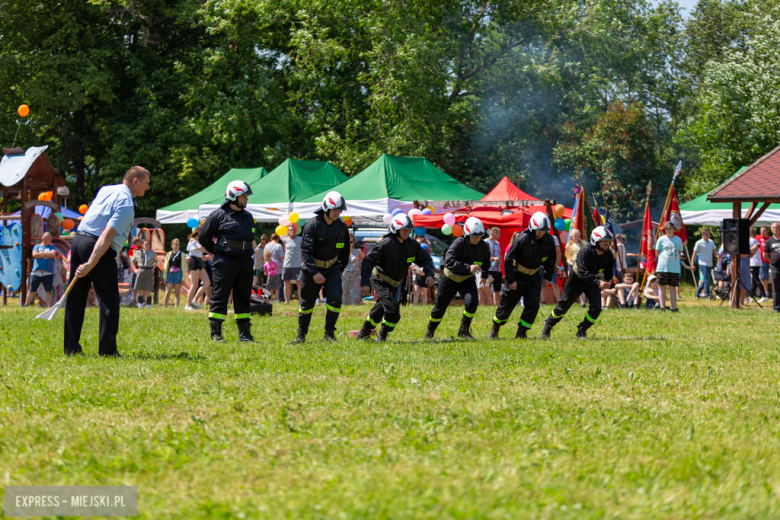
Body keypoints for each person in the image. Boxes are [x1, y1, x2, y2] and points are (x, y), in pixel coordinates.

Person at [64, 166, 150, 357]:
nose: (148, 187)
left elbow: (90, 219)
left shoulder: (106, 189)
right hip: (96, 246)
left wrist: (77, 252)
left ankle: (71, 349)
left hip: (79, 240)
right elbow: (106, 234)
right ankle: (108, 351)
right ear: (135, 181)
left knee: (76, 297)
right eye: (146, 183)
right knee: (109, 299)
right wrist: (91, 262)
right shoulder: (127, 203)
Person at [355, 214, 434, 342]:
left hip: (396, 283)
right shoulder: (386, 244)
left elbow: (426, 259)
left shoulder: (412, 245)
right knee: (393, 310)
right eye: (404, 229)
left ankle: (364, 332)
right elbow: (368, 261)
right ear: (395, 229)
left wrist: (429, 274)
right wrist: (365, 283)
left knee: (380, 309)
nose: (407, 232)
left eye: (409, 229)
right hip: (380, 280)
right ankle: (382, 334)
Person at [198, 180, 256, 342]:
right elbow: (203, 236)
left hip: (245, 262)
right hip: (225, 262)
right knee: (220, 296)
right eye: (244, 196)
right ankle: (216, 333)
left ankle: (244, 334)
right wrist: (217, 250)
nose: (247, 199)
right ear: (233, 196)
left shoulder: (248, 216)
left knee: (243, 297)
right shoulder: (218, 215)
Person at [294, 191, 351, 343]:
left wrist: (339, 269)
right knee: (307, 303)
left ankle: (329, 334)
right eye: (335, 210)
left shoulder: (342, 227)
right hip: (313, 269)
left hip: (333, 268)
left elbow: (345, 252)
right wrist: (314, 272)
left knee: (336, 300)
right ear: (326, 208)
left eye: (339, 210)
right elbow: (305, 251)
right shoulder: (312, 225)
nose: (337, 213)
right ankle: (301, 335)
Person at [489, 212, 557, 339]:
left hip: (534, 277)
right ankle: (495, 329)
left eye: (544, 231)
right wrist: (511, 279)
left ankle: (521, 332)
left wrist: (547, 277)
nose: (542, 233)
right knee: (506, 305)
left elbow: (551, 259)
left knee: (533, 305)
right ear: (532, 227)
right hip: (517, 276)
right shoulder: (522, 239)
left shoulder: (549, 240)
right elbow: (509, 259)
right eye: (539, 231)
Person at [541, 226, 615, 339]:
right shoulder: (585, 251)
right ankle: (549, 324)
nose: (607, 243)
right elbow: (582, 272)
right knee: (563, 307)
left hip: (592, 281)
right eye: (604, 241)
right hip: (577, 279)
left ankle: (582, 329)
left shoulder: (608, 255)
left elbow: (608, 272)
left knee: (596, 308)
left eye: (608, 241)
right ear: (595, 240)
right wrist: (598, 283)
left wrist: (607, 281)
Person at [425, 217, 491, 339]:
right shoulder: (458, 243)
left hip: (467, 279)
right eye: (473, 236)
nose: (477, 239)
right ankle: (430, 331)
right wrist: (468, 268)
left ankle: (464, 330)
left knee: (472, 302)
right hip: (450, 279)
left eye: (479, 236)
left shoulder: (484, 246)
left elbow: (486, 262)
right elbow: (449, 262)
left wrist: (484, 276)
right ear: (466, 234)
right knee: (440, 307)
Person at [654, 221, 692, 312]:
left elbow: (679, 253)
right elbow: (657, 253)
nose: (668, 230)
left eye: (670, 228)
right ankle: (662, 307)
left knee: (673, 287)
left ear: (674, 230)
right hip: (663, 267)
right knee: (662, 287)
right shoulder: (661, 239)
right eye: (666, 229)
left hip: (674, 268)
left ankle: (673, 308)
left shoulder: (678, 240)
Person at [26, 231, 57, 307]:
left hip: (48, 272)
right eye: (49, 238)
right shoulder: (37, 246)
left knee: (48, 291)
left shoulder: (52, 247)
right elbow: (35, 254)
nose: (51, 240)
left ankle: (50, 307)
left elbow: (52, 254)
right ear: (44, 238)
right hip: (36, 272)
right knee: (32, 291)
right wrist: (46, 254)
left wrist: (42, 254)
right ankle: (25, 306)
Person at [185, 230, 210, 310]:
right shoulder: (193, 241)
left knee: (207, 283)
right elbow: (201, 249)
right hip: (194, 262)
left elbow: (203, 252)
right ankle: (187, 305)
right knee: (194, 284)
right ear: (199, 232)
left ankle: (194, 300)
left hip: (199, 261)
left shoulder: (197, 241)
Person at [565, 228, 589, 307]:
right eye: (575, 236)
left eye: (578, 236)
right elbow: (567, 255)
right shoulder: (569, 245)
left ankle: (583, 302)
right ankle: (569, 301)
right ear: (571, 236)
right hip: (571, 265)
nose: (576, 238)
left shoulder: (583, 243)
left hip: (580, 266)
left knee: (580, 284)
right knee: (571, 283)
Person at [691, 228, 717, 299]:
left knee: (706, 280)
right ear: (702, 235)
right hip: (702, 264)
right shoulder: (698, 243)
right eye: (707, 234)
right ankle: (708, 295)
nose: (709, 235)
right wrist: (692, 264)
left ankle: (697, 293)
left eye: (709, 233)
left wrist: (718, 255)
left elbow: (714, 251)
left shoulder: (711, 242)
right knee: (706, 280)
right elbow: (694, 254)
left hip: (710, 264)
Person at [132, 239, 156, 308]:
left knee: (148, 289)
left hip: (148, 271)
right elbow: (132, 261)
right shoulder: (138, 252)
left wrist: (153, 268)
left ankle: (148, 305)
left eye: (148, 244)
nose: (147, 245)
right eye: (146, 244)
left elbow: (156, 261)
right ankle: (140, 305)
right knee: (140, 289)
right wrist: (135, 269)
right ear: (142, 245)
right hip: (141, 271)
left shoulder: (152, 253)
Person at [342, 232, 364, 305]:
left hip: (355, 274)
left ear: (353, 242)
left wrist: (360, 266)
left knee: (355, 291)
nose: (349, 243)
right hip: (345, 274)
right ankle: (344, 304)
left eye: (351, 242)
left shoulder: (357, 251)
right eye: (348, 241)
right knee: (344, 291)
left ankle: (356, 304)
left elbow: (365, 259)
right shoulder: (342, 252)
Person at [282, 224, 303, 304]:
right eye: (291, 230)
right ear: (288, 231)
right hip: (287, 264)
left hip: (297, 264)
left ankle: (300, 300)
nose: (292, 231)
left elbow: (302, 251)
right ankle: (287, 300)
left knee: (299, 283)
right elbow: (285, 250)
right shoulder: (285, 240)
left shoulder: (300, 239)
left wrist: (302, 261)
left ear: (296, 231)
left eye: (294, 230)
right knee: (286, 283)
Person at [163, 238, 186, 308]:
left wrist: (183, 278)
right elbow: (165, 266)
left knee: (177, 292)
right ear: (172, 245)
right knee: (168, 292)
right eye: (175, 244)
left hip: (178, 274)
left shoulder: (182, 254)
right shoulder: (169, 254)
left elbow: (184, 267)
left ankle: (176, 307)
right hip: (170, 273)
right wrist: (164, 277)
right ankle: (165, 307)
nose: (177, 246)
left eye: (178, 244)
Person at [763, 222, 780, 312]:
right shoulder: (769, 241)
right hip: (775, 267)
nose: (775, 229)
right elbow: (765, 254)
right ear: (771, 229)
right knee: (776, 288)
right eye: (773, 228)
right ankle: (777, 308)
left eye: (776, 227)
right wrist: (773, 260)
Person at [485, 227, 503, 306]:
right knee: (486, 287)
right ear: (494, 234)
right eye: (499, 234)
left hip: (497, 269)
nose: (500, 236)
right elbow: (483, 256)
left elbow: (499, 254)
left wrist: (500, 260)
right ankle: (485, 304)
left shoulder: (497, 243)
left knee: (497, 288)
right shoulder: (485, 242)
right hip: (489, 269)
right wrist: (493, 258)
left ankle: (496, 305)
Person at [748, 228, 766, 302]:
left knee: (756, 279)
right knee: (754, 280)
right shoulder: (756, 240)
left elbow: (747, 251)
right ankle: (752, 297)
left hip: (753, 262)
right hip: (758, 262)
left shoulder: (750, 241)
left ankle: (764, 295)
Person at [267, 233, 285, 300]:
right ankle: (280, 298)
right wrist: (285, 265)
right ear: (277, 239)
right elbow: (282, 257)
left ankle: (270, 297)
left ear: (271, 238)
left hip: (269, 266)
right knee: (279, 283)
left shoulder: (267, 246)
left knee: (270, 283)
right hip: (278, 267)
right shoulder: (279, 246)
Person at [757, 226, 771, 301]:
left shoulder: (770, 239)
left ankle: (765, 293)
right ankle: (762, 292)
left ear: (767, 231)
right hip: (759, 261)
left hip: (768, 261)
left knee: (764, 278)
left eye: (763, 230)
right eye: (760, 230)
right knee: (761, 277)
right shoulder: (757, 237)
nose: (761, 232)